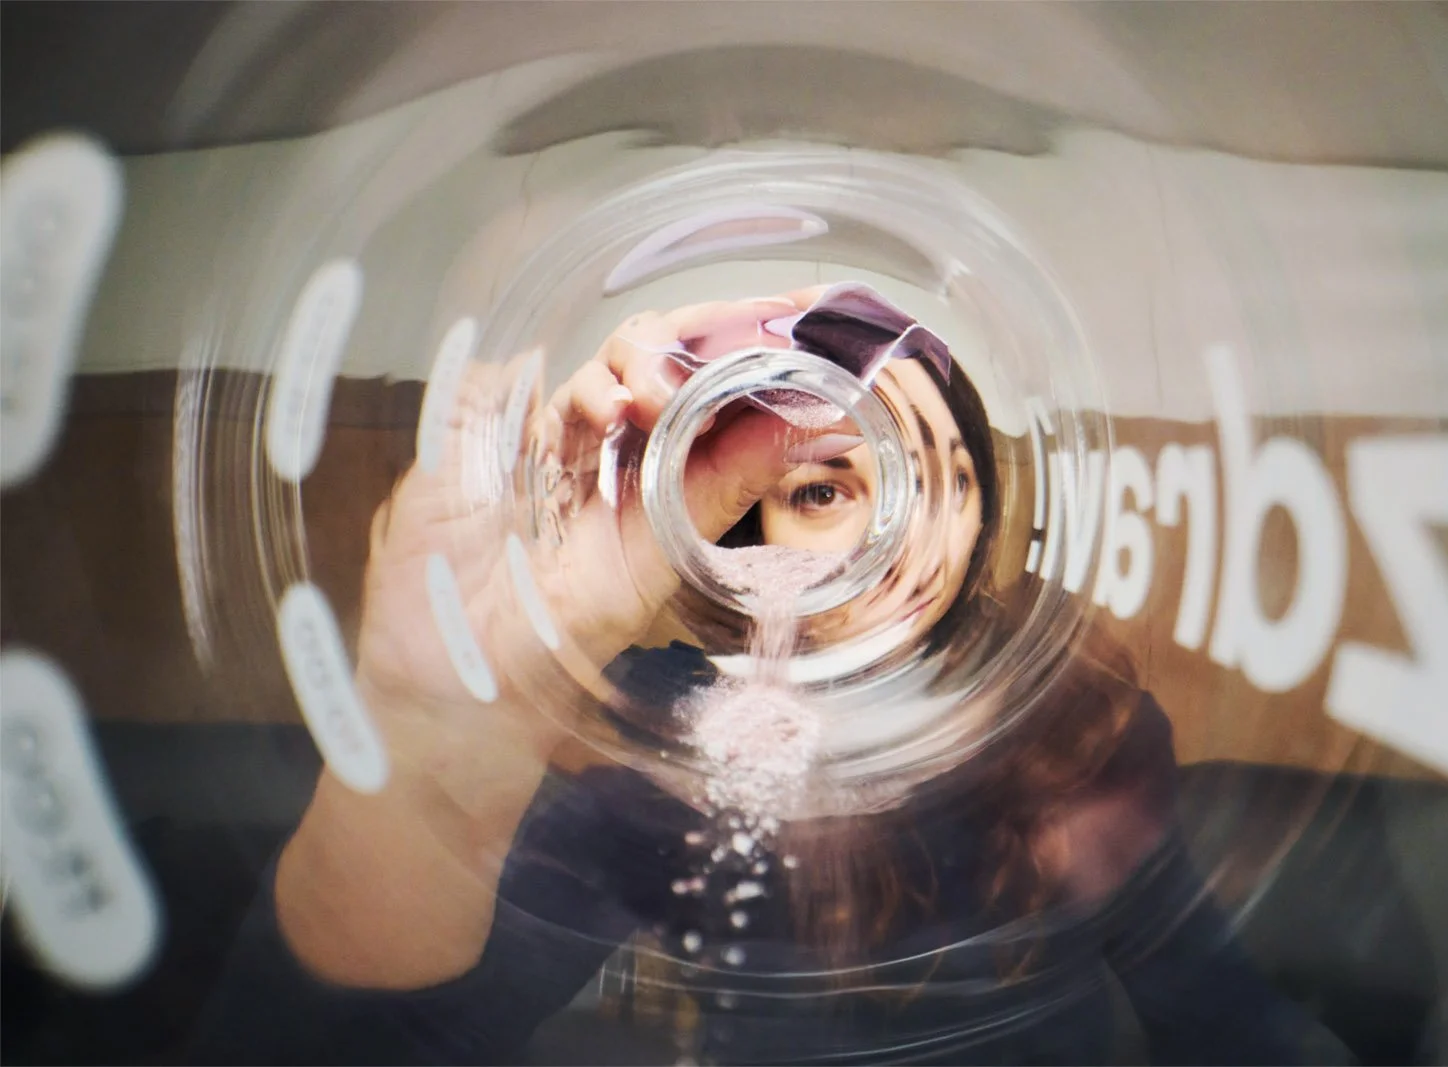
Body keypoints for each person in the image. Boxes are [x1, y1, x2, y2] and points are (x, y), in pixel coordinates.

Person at [190, 289, 1343, 1065]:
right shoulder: (669, 735)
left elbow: (1225, 1015)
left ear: (982, 505)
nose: (889, 534)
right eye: (819, 489)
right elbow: (358, 1039)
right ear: (752, 535)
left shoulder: (1077, 724)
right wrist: (437, 742)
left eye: (922, 475)